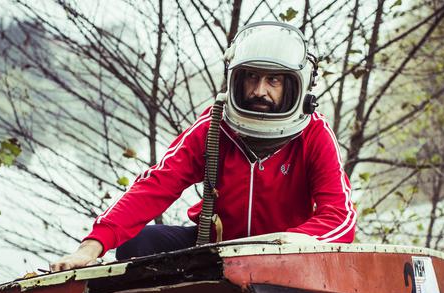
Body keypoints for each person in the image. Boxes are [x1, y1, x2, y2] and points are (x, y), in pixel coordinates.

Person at [50, 21, 356, 272]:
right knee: (139, 243)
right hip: (214, 251)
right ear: (235, 78)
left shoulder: (314, 134)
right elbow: (156, 185)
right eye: (251, 77)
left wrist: (295, 241)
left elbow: (339, 216)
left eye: (273, 80)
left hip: (284, 258)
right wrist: (92, 245)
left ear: (295, 85)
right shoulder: (214, 126)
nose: (259, 90)